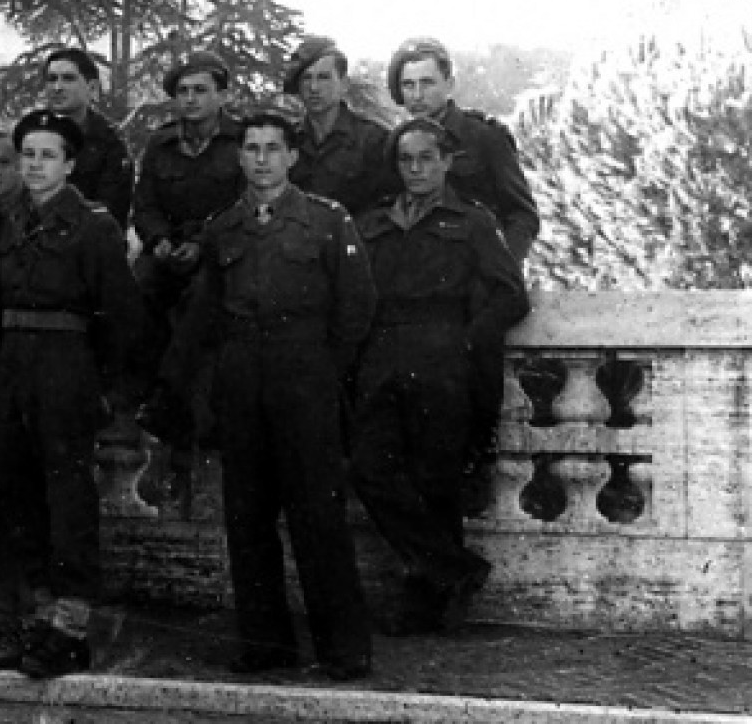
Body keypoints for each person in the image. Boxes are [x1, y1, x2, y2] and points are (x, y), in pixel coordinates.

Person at [162, 110, 376, 681]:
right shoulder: (224, 227)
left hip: (305, 376)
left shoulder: (327, 222)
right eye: (252, 148)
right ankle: (264, 644)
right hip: (241, 381)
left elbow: (355, 308)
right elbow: (203, 315)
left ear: (292, 156)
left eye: (272, 148)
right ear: (240, 157)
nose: (261, 158)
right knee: (247, 516)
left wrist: (324, 373)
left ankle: (343, 649)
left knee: (317, 516)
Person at [351, 118, 529, 636]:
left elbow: (510, 295)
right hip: (381, 354)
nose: (416, 169)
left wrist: (470, 339)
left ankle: (426, 604)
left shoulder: (471, 221)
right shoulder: (373, 224)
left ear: (447, 161)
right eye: (406, 160)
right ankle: (456, 567)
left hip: (443, 357)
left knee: (435, 480)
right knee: (370, 469)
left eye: (427, 158)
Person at [0, 111, 141, 680]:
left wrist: (105, 391)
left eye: (47, 155)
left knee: (67, 500)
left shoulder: (93, 227)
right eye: (27, 155)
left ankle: (72, 629)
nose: (34, 165)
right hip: (12, 368)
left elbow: (119, 317)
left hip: (65, 369)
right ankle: (40, 618)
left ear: (70, 164)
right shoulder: (5, 221)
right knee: (19, 495)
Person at [131, 52, 244, 361]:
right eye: (183, 91)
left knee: (202, 301)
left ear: (222, 96)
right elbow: (145, 204)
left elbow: (243, 206)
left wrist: (201, 244)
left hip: (222, 252)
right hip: (168, 249)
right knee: (137, 291)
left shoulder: (241, 143)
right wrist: (159, 239)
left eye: (200, 90)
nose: (190, 99)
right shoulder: (161, 144)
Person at [386, 36, 540, 261]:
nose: (417, 95)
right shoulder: (396, 142)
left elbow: (522, 215)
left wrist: (502, 269)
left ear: (449, 84)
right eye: (408, 85)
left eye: (427, 83)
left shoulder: (485, 137)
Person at [284, 36, 395, 218]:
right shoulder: (286, 141)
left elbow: (388, 207)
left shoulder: (374, 140)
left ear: (343, 84)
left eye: (324, 78)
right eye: (306, 78)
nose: (314, 87)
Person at [40, 47, 134, 225]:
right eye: (52, 79)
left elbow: (110, 212)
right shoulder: (31, 134)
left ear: (92, 88)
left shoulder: (111, 142)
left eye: (68, 79)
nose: (57, 87)